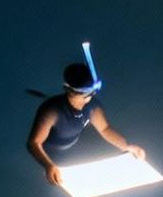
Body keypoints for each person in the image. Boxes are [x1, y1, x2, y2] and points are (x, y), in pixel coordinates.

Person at [26, 60, 145, 188]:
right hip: (48, 154)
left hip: (73, 149)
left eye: (92, 93)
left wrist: (127, 146)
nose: (88, 98)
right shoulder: (52, 111)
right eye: (84, 94)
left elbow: (105, 129)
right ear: (69, 90)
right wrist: (48, 165)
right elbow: (34, 143)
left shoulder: (92, 106)